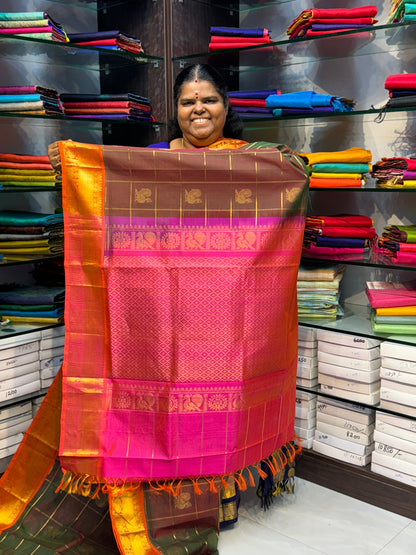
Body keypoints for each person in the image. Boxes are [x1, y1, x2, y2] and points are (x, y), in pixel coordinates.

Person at [0, 64, 309, 555]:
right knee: (161, 400)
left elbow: (295, 169)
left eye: (208, 100)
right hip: (159, 313)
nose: (198, 110)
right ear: (175, 111)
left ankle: (218, 497)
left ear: (226, 108)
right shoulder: (152, 162)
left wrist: (287, 165)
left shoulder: (249, 160)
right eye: (187, 102)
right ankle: (150, 494)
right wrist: (76, 167)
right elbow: (111, 218)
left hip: (227, 313)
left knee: (222, 399)